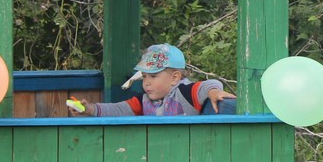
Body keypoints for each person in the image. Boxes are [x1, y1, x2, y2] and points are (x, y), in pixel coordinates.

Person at [69, 43, 235, 117]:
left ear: (175, 77)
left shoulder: (185, 93)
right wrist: (90, 109)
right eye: (145, 76)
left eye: (153, 76)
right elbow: (119, 109)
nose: (146, 82)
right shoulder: (144, 100)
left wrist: (214, 92)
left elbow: (207, 86)